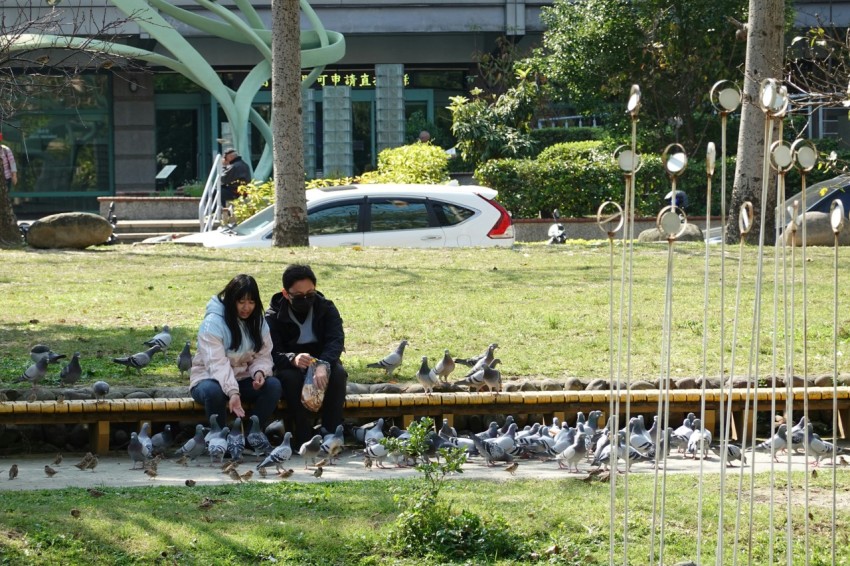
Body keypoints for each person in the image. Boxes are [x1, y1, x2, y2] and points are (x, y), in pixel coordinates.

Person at [266, 264, 347, 446]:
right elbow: (271, 351)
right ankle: (302, 436)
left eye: (310, 294)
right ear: (286, 294)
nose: (306, 299)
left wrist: (322, 364)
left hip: (321, 361)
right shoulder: (273, 316)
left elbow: (336, 340)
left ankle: (331, 433)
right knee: (290, 379)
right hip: (291, 366)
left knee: (338, 374)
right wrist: (292, 358)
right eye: (299, 296)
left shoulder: (326, 308)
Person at [190, 274, 282, 429]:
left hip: (242, 378)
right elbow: (216, 364)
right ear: (231, 300)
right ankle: (218, 438)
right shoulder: (212, 324)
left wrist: (259, 372)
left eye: (251, 302)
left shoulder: (258, 322)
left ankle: (252, 434)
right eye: (241, 302)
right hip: (209, 379)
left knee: (273, 385)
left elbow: (263, 355)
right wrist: (233, 391)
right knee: (213, 392)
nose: (247, 308)